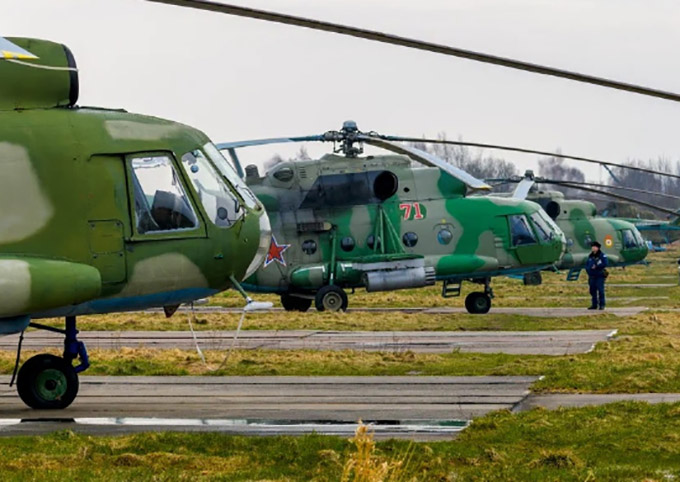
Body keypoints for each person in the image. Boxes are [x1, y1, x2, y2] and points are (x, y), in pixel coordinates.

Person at [585, 241, 608, 310]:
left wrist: (597, 266)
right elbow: (587, 264)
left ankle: (602, 304)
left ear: (598, 248)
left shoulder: (602, 255)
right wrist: (588, 270)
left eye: (594, 247)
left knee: (600, 290)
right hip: (592, 276)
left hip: (599, 275)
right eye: (592, 247)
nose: (593, 248)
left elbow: (605, 263)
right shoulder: (590, 256)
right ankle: (594, 304)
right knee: (592, 291)